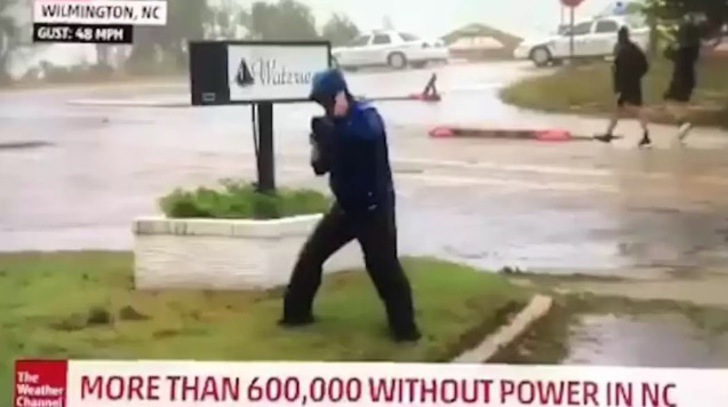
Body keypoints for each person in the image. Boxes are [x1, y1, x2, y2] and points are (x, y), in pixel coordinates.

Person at [279, 68, 421, 342]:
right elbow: (320, 167)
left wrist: (336, 128)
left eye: (328, 101)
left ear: (341, 95)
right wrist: (319, 143)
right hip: (345, 208)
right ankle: (295, 316)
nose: (326, 107)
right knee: (311, 257)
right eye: (322, 103)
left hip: (374, 209)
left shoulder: (366, 116)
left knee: (383, 268)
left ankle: (406, 331)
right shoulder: (331, 126)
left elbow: (367, 136)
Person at [595, 26, 651, 147]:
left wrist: (618, 88)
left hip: (624, 86)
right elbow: (645, 66)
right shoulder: (635, 49)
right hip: (635, 83)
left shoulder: (621, 51)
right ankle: (610, 133)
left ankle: (645, 134)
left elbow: (618, 71)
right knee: (623, 109)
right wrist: (638, 75)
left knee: (634, 110)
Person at [661, 13, 706, 144]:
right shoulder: (694, 48)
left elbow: (667, 53)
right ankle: (682, 124)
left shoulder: (681, 49)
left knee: (670, 99)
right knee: (680, 101)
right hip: (689, 77)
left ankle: (683, 122)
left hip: (680, 77)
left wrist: (671, 42)